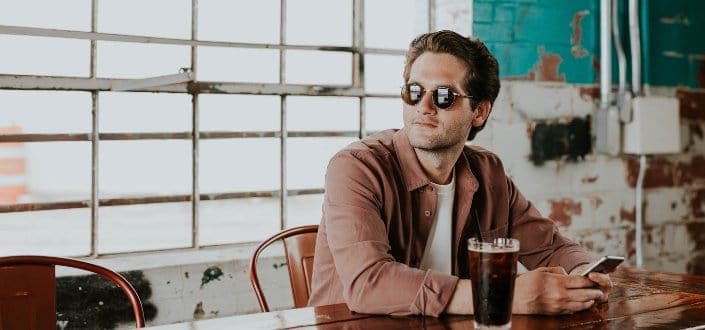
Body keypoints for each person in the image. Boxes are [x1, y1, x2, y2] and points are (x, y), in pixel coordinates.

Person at [307, 30, 612, 317]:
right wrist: (503, 296)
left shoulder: (488, 173)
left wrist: (585, 274)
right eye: (414, 92)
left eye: (443, 97)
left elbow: (551, 248)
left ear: (479, 111)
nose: (424, 107)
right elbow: (369, 283)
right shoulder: (356, 167)